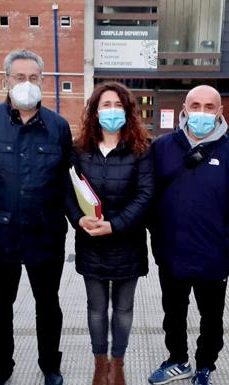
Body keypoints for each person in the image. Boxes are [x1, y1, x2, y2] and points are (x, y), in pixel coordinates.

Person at [0, 49, 72, 385]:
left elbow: (68, 182)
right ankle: (0, 369)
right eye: (19, 77)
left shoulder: (58, 127)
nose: (27, 84)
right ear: (6, 81)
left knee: (48, 306)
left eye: (34, 78)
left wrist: (82, 220)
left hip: (46, 235)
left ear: (43, 81)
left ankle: (50, 366)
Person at [148, 85, 229, 385]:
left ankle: (205, 365)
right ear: (184, 109)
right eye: (195, 106)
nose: (201, 113)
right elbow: (149, 195)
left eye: (209, 107)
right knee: (173, 313)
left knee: (212, 317)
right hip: (171, 252)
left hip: (213, 255)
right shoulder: (163, 148)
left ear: (220, 112)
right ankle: (177, 360)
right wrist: (157, 235)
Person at [65, 82, 154, 385]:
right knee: (96, 308)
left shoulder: (141, 149)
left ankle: (118, 362)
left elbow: (146, 195)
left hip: (127, 242)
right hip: (91, 242)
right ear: (95, 111)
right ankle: (99, 362)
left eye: (118, 104)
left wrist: (115, 224)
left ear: (128, 111)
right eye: (106, 105)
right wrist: (78, 219)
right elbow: (67, 190)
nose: (111, 110)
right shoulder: (79, 149)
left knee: (124, 308)